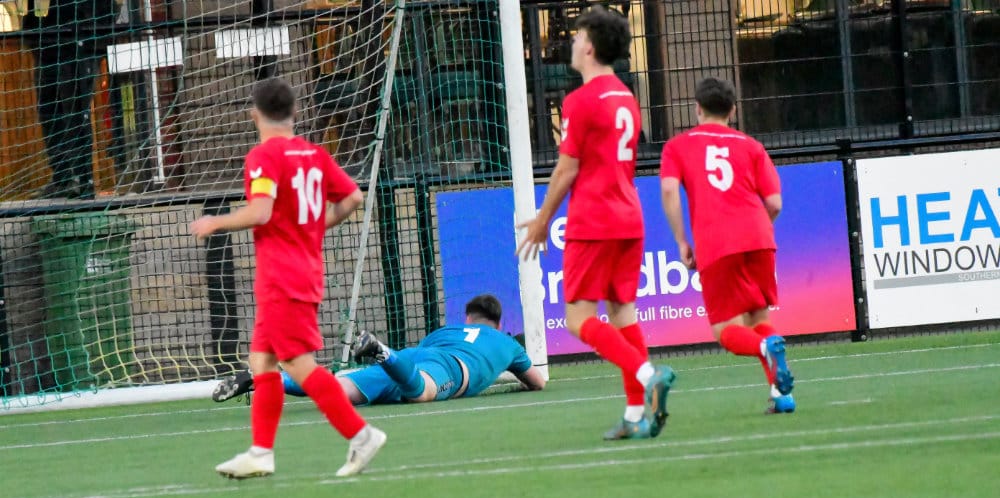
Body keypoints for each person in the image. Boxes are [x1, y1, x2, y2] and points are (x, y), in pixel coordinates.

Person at [190, 77, 386, 479]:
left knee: (297, 364)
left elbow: (261, 212)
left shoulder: (263, 156)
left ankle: (361, 434)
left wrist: (216, 222)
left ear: (254, 115)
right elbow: (353, 197)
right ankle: (261, 453)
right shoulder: (315, 154)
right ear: (295, 112)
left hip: (283, 277)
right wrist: (313, 227)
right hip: (301, 270)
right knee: (261, 360)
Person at [515, 6, 674, 441]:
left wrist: (542, 220)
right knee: (622, 313)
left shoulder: (581, 101)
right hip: (629, 216)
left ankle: (648, 375)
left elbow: (567, 169)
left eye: (577, 34)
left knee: (577, 318)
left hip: (594, 219)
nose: (571, 41)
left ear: (589, 45)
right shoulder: (626, 97)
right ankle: (635, 415)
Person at [658, 76, 795, 414]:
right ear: (732, 111)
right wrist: (758, 229)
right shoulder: (751, 146)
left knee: (726, 332)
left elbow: (669, 189)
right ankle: (781, 395)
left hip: (717, 242)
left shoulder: (678, 146)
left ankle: (765, 349)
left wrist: (681, 240)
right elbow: (775, 203)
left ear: (697, 109)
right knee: (758, 315)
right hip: (760, 238)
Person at [212, 294, 547, 405]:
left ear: (468, 318)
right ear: (497, 323)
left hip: (414, 355)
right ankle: (382, 352)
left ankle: (263, 379)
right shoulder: (507, 342)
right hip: (448, 367)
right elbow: (537, 381)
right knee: (422, 393)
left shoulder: (448, 330)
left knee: (334, 390)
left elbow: (423, 353)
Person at [21, 0, 118, 199]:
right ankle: (63, 178)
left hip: (80, 40)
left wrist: (94, 35)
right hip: (49, 41)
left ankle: (82, 180)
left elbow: (111, 8)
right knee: (49, 111)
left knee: (75, 111)